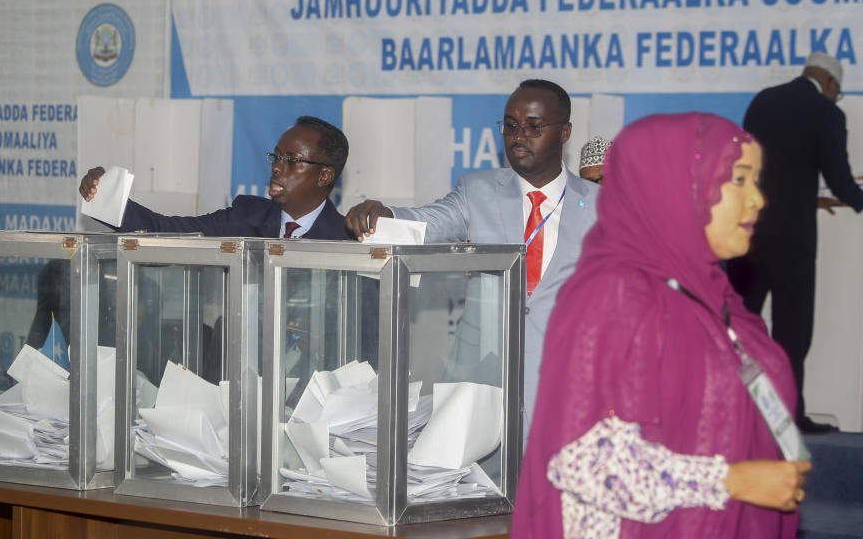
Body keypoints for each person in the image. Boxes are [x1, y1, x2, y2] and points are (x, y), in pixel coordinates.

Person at [511, 113, 810, 539]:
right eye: (739, 181)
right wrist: (733, 480)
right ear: (681, 187)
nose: (758, 200)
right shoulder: (613, 295)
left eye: (755, 181)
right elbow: (583, 462)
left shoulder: (716, 298)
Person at [346, 79, 599, 443]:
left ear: (565, 132)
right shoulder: (477, 190)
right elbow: (428, 223)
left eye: (533, 126)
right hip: (482, 374)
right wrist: (384, 215)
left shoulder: (603, 206)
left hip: (569, 381)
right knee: (479, 492)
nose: (518, 136)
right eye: (510, 126)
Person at [727, 52, 863, 434]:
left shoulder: (764, 100)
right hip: (791, 243)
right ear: (831, 84)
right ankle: (788, 417)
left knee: (738, 327)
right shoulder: (827, 112)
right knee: (792, 333)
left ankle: (735, 415)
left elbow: (766, 168)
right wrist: (856, 198)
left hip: (747, 233)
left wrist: (808, 194)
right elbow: (839, 179)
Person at [79, 115, 353, 240]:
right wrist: (105, 196)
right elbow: (164, 230)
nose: (277, 168)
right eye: (277, 157)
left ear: (325, 175)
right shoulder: (245, 218)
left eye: (291, 161)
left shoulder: (347, 241)